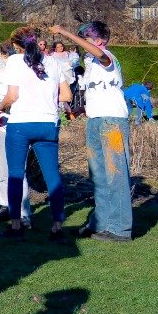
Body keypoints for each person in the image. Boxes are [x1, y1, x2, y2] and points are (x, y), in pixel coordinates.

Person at [52, 22, 134, 242]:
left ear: (99, 41)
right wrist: (80, 110)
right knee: (98, 176)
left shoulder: (106, 57)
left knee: (115, 175)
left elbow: (99, 54)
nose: (81, 43)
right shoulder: (90, 66)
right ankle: (101, 223)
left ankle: (120, 229)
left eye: (85, 39)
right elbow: (100, 93)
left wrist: (64, 32)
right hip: (96, 121)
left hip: (112, 123)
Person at [0, 28, 69, 241]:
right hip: (47, 122)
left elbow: (12, 96)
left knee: (16, 174)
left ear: (17, 46)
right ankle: (57, 227)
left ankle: (16, 225)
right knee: (52, 176)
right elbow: (67, 94)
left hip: (20, 123)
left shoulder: (15, 61)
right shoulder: (53, 62)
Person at [0, 41, 30, 224]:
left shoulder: (23, 73)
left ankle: (23, 211)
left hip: (16, 123)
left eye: (3, 56)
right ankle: (5, 205)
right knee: (2, 169)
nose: (0, 59)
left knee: (18, 170)